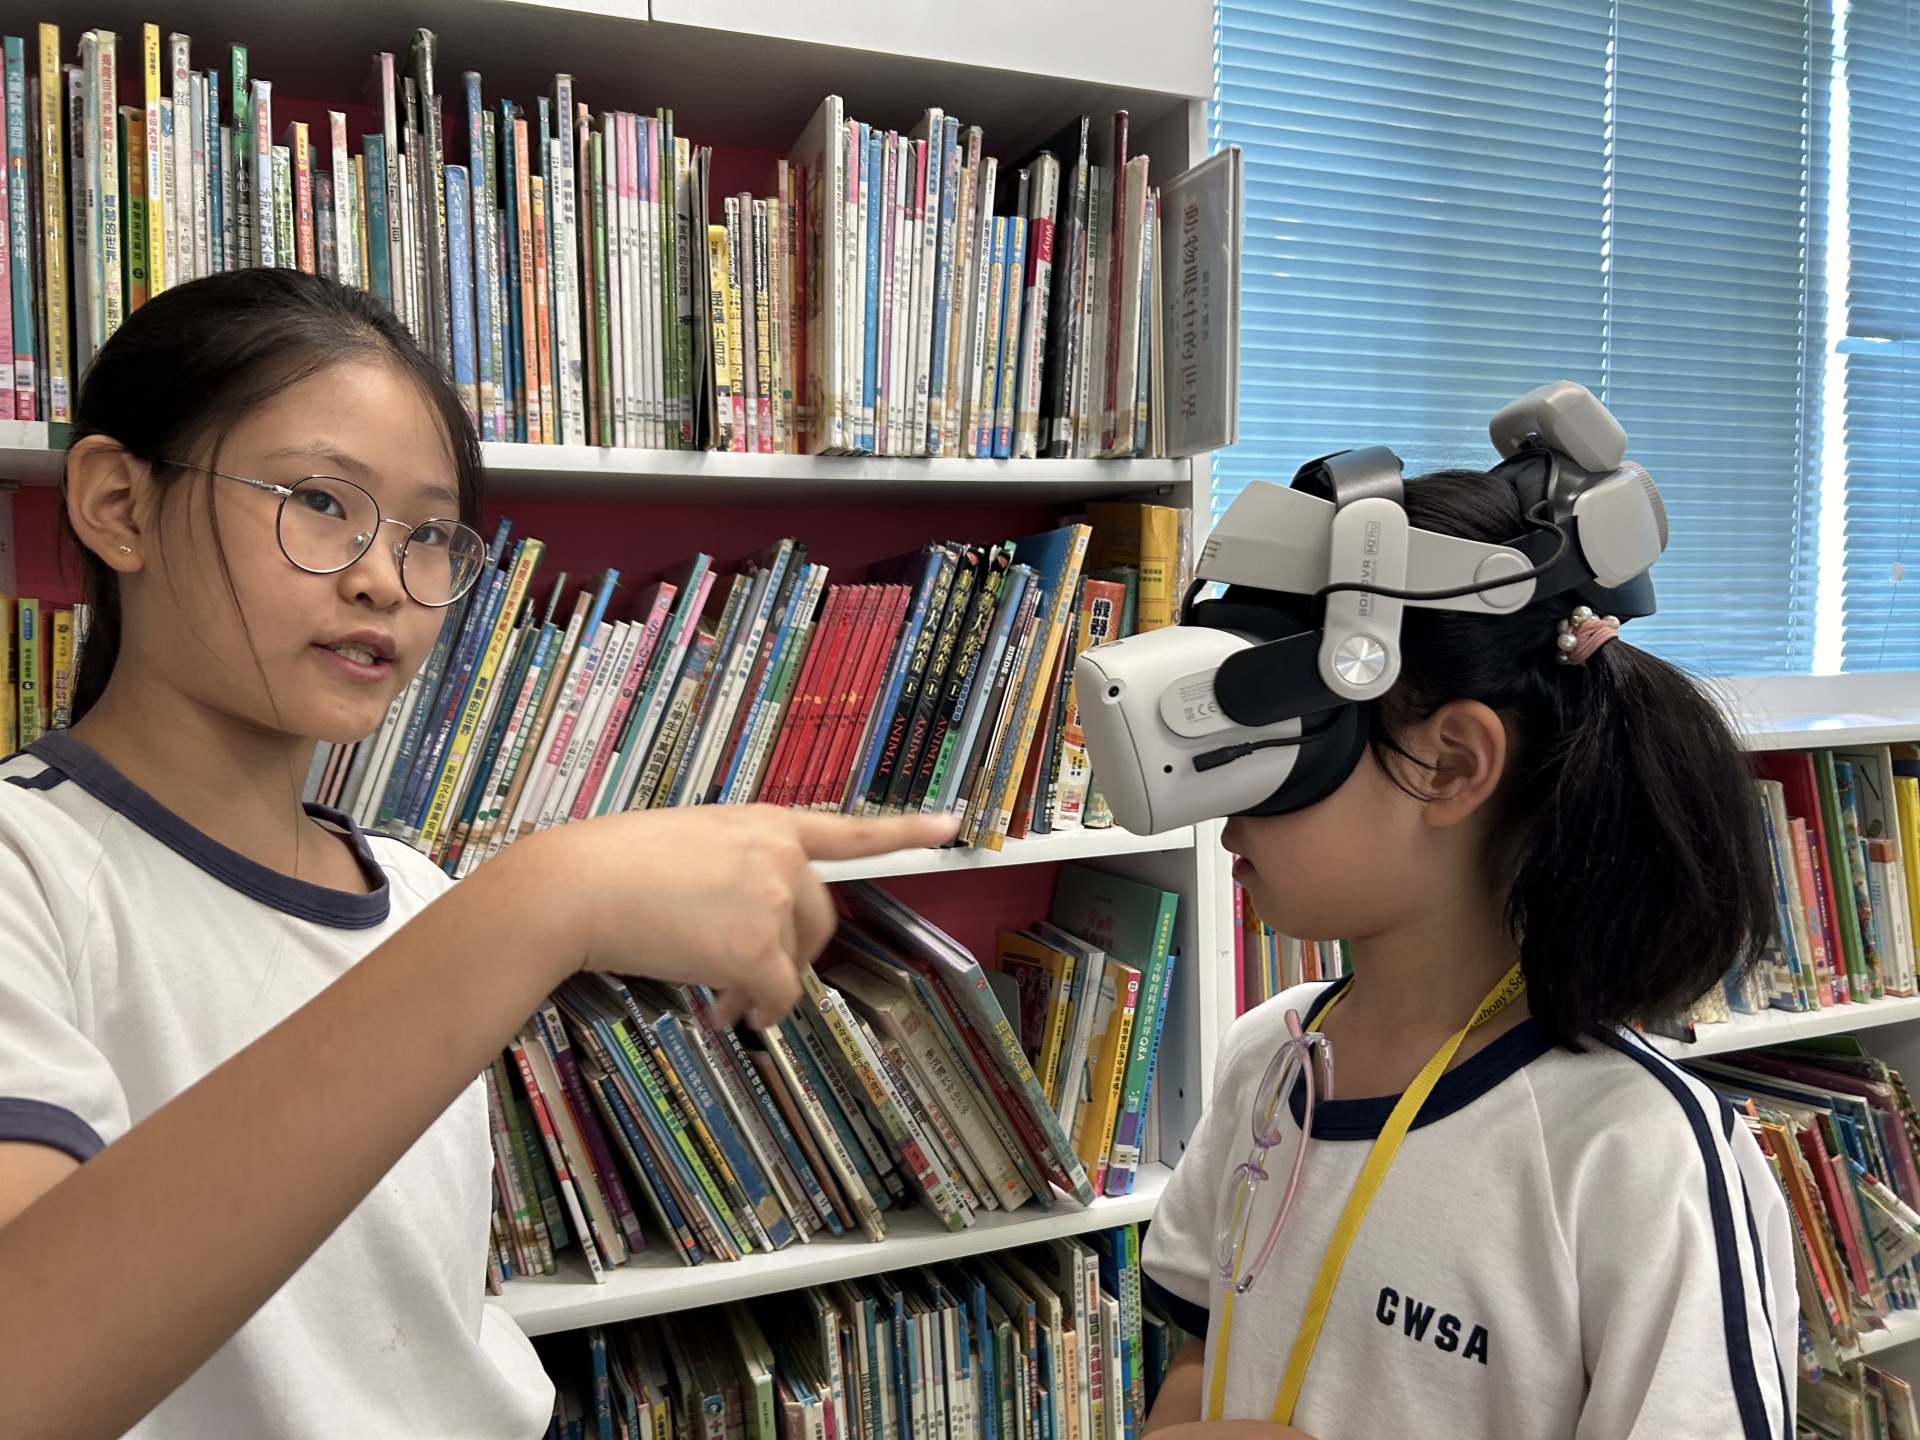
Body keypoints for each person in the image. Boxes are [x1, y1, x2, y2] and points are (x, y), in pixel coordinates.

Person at [0, 268, 954, 1440]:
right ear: (119, 504)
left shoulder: (413, 894)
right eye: (319, 500)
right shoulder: (30, 869)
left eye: (429, 536)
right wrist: (543, 900)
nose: (382, 580)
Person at [1137, 468, 1795, 1440]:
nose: (1225, 805)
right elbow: (1206, 1350)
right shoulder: (1267, 1057)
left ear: (1449, 763)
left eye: (1274, 747)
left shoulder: (1637, 1158)